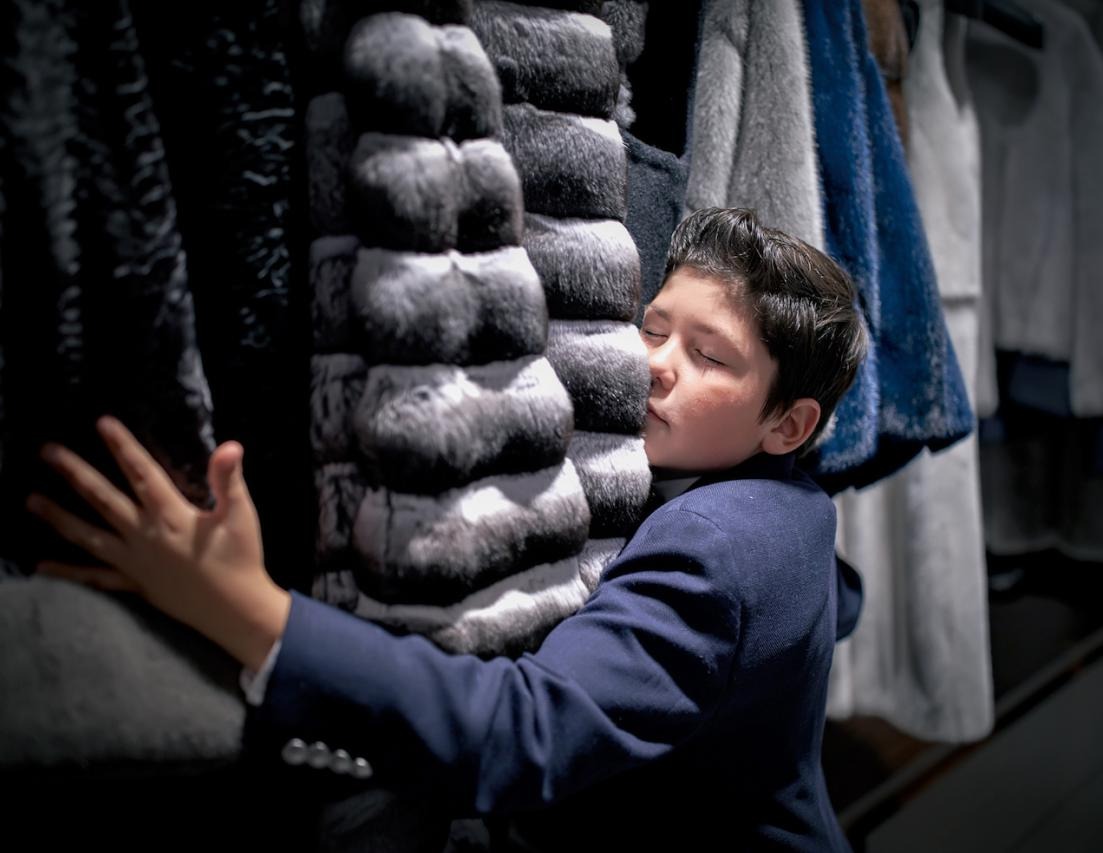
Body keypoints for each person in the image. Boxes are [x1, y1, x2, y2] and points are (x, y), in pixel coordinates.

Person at [27, 207, 868, 851]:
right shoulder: (788, 507)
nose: (654, 363)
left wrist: (249, 610)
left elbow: (525, 735)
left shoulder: (717, 542)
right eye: (652, 328)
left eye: (708, 356)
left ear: (788, 425)